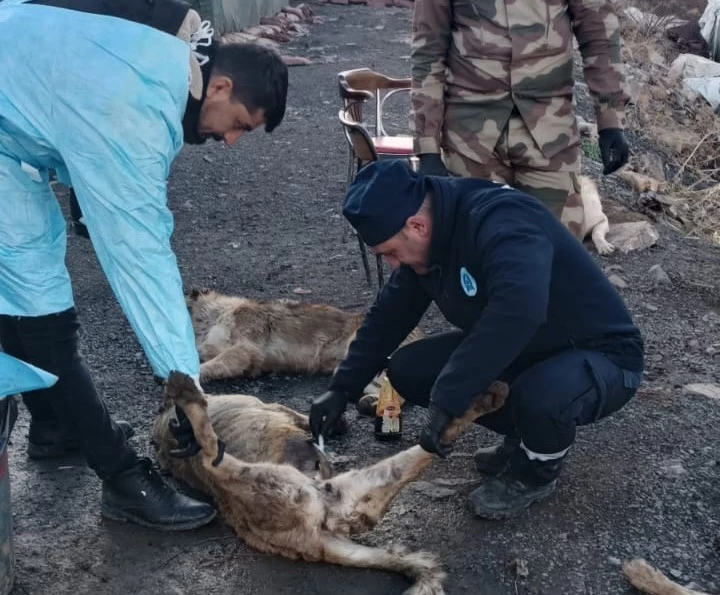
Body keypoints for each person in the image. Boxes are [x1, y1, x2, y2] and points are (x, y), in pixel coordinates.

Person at [0, 0, 288, 530]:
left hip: (11, 123)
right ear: (219, 87)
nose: (230, 141)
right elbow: (141, 258)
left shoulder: (159, 61)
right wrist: (185, 388)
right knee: (41, 307)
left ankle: (53, 425)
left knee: (25, 279)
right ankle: (121, 479)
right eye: (239, 126)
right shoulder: (132, 104)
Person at [310, 159, 644, 520]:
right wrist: (342, 388)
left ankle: (535, 472)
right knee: (408, 370)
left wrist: (450, 396)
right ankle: (524, 435)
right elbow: (387, 318)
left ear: (417, 225)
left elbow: (518, 310)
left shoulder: (502, 221)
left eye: (391, 252)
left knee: (540, 396)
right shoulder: (428, 242)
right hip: (529, 349)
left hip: (600, 355)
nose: (393, 264)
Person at [409, 0, 631, 224]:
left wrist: (610, 120)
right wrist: (427, 146)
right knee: (473, 245)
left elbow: (599, 34)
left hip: (550, 135)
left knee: (556, 243)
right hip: (470, 139)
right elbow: (428, 49)